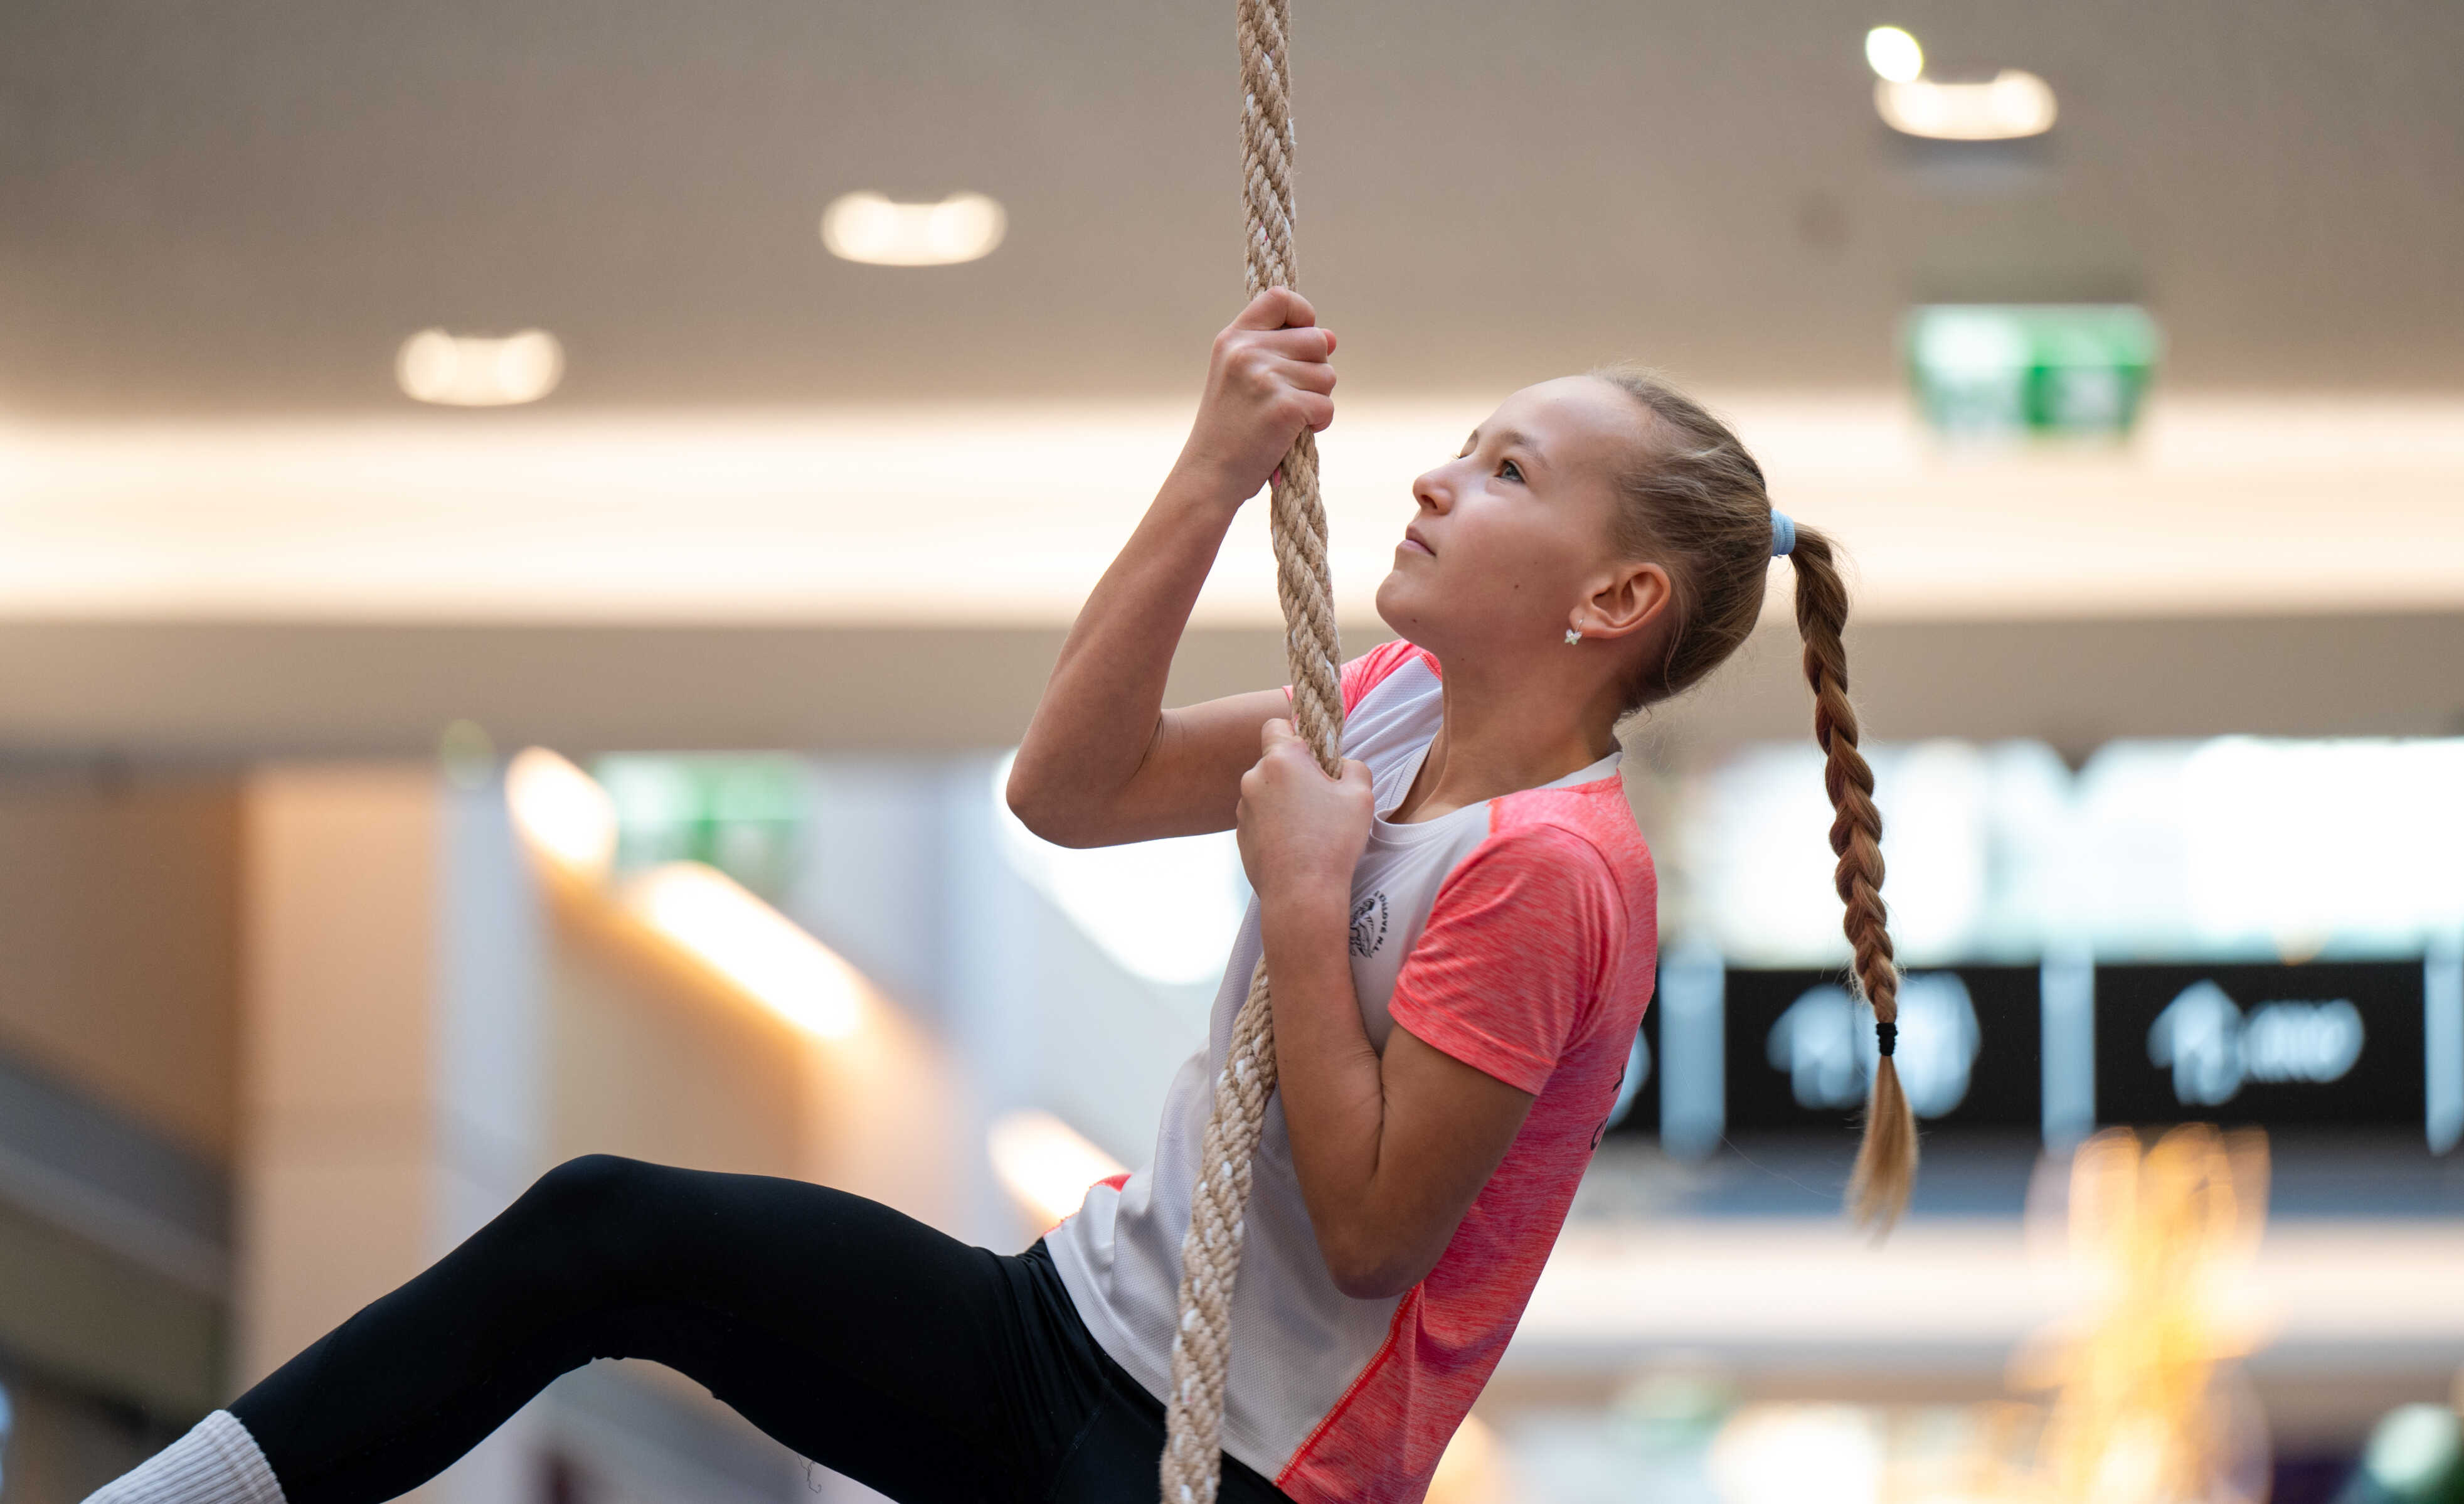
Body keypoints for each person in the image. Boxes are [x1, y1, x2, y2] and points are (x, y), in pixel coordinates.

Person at [89, 289, 1906, 1504]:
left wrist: (1301, 898)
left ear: (1614, 605)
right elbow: (1072, 786)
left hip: (1233, 1465)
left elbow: (1370, 1233)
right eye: (1469, 442)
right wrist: (1211, 473)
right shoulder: (1394, 703)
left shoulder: (1559, 876)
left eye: (1508, 472)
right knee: (601, 1229)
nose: (1436, 474)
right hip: (1061, 1329)